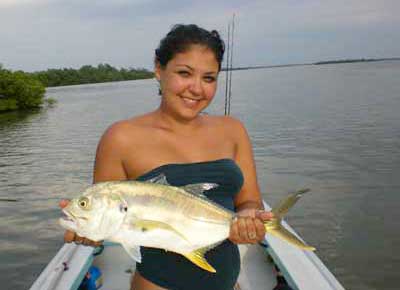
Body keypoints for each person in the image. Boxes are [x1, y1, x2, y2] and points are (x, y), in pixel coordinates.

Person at [61, 24, 273, 290]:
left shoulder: (233, 130)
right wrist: (89, 232)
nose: (196, 89)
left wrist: (250, 218)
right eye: (184, 73)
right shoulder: (120, 138)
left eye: (209, 78)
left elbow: (249, 200)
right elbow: (111, 218)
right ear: (158, 69)